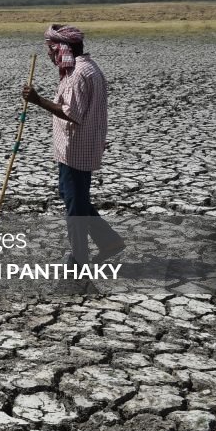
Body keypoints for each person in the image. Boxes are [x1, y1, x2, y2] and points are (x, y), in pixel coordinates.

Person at [21, 24, 125, 265]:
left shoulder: (79, 74)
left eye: (50, 48)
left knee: (75, 207)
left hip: (76, 149)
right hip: (75, 147)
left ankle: (79, 258)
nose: (48, 53)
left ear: (61, 48)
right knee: (72, 197)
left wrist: (37, 100)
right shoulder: (83, 68)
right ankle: (109, 240)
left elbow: (72, 113)